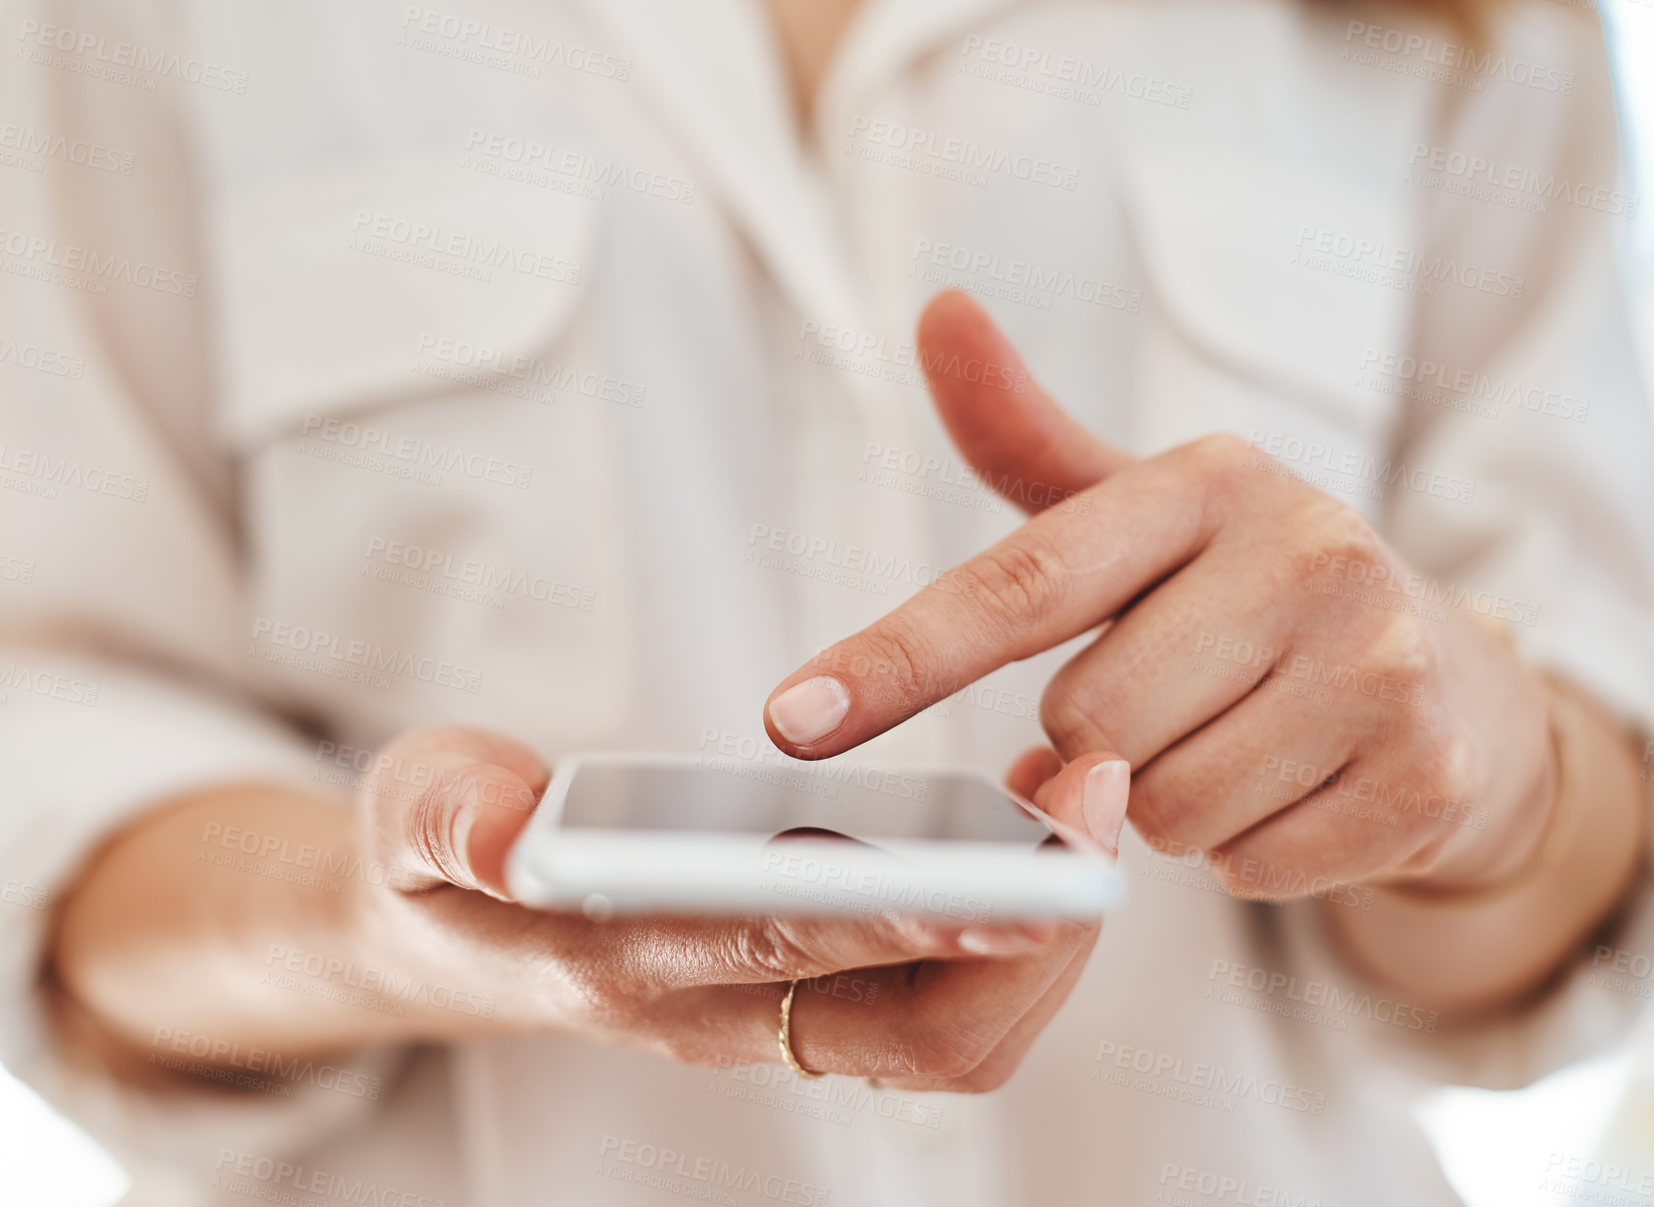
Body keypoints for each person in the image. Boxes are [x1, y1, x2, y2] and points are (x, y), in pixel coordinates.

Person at [2, 0, 1651, 1203]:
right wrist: (382, 928)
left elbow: (1564, 898)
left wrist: (1487, 757)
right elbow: (62, 773)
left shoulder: (1483, 33)